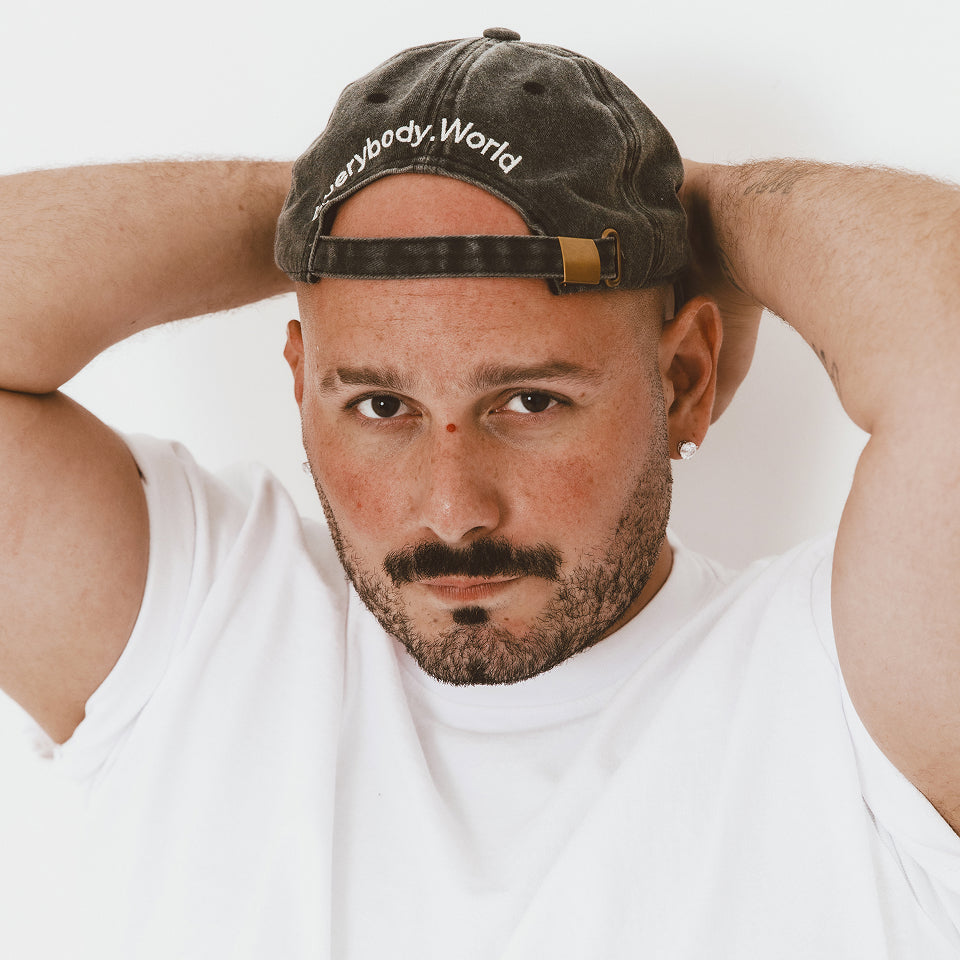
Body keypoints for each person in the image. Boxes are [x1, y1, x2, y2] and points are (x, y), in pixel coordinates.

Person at [1, 26, 958, 959]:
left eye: (531, 401)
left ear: (683, 380)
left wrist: (695, 209)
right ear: (301, 388)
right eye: (382, 405)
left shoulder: (852, 704)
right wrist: (340, 202)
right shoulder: (196, 630)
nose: (454, 511)